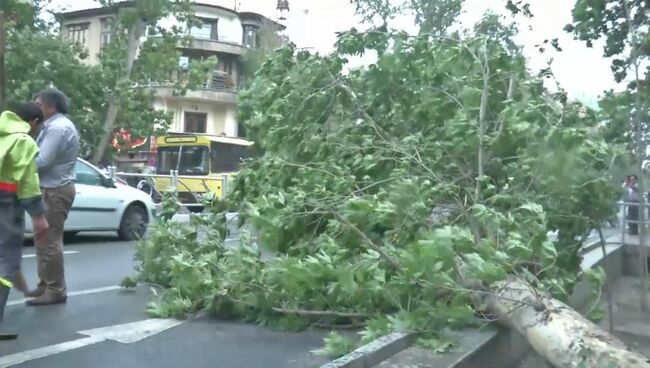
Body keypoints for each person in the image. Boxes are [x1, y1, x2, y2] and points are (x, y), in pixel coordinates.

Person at [25, 88, 80, 306]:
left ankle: (56, 290)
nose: (35, 108)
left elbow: (42, 161)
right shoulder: (51, 126)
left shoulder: (58, 128)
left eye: (39, 104)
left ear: (51, 106)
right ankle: (45, 285)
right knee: (42, 239)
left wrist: (14, 165)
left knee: (49, 240)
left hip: (55, 190)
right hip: (50, 188)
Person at [0, 103, 49, 339]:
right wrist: (38, 215)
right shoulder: (22, 141)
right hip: (6, 205)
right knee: (4, 264)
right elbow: (28, 181)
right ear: (34, 122)